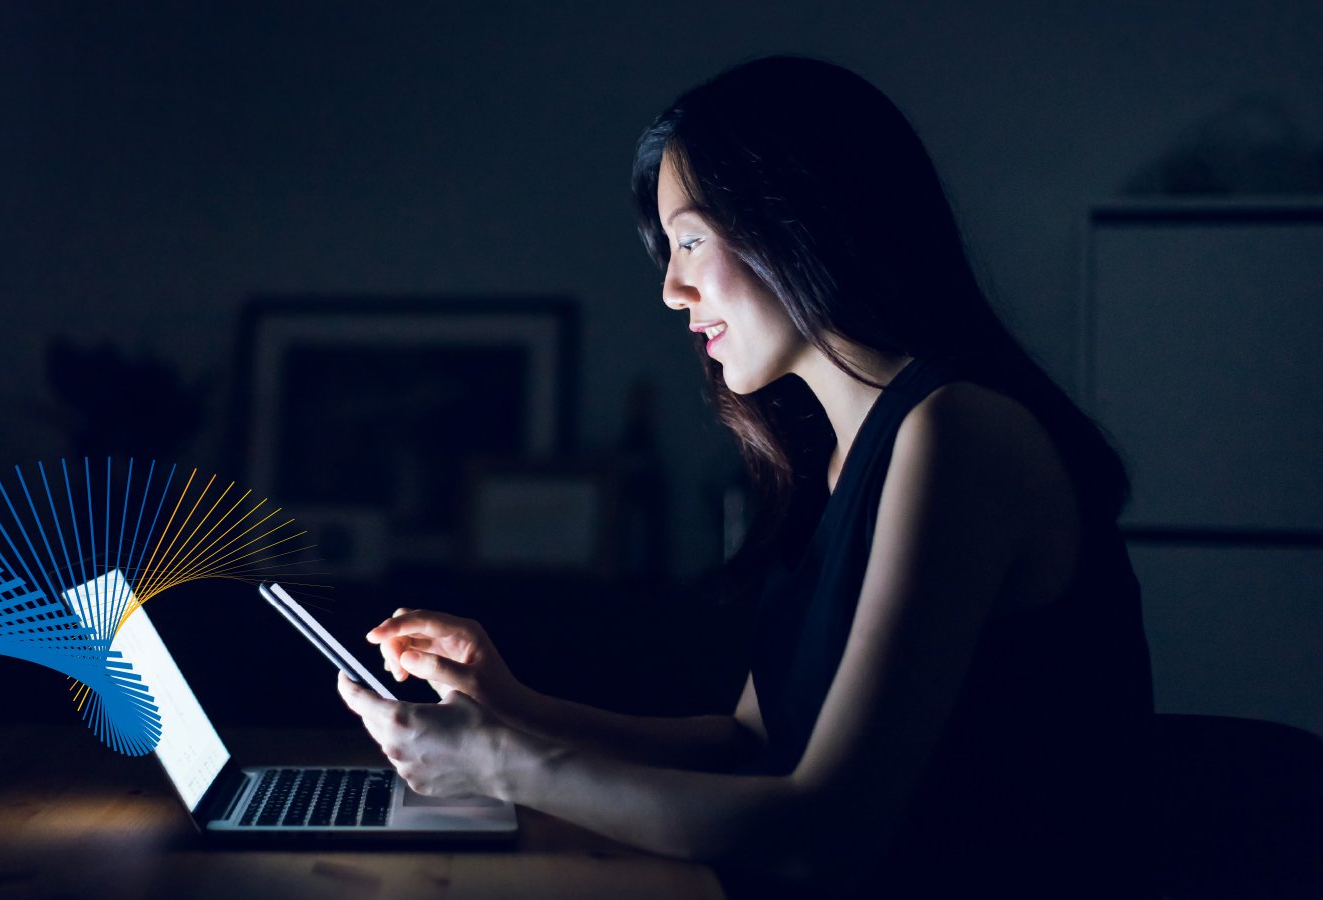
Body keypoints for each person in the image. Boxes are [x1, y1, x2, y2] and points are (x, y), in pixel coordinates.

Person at [336, 56, 1155, 897]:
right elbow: (748, 744)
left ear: (801, 221)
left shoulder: (961, 435)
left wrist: (501, 765)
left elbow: (825, 832)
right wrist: (510, 704)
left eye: (690, 240)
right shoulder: (832, 450)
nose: (671, 289)